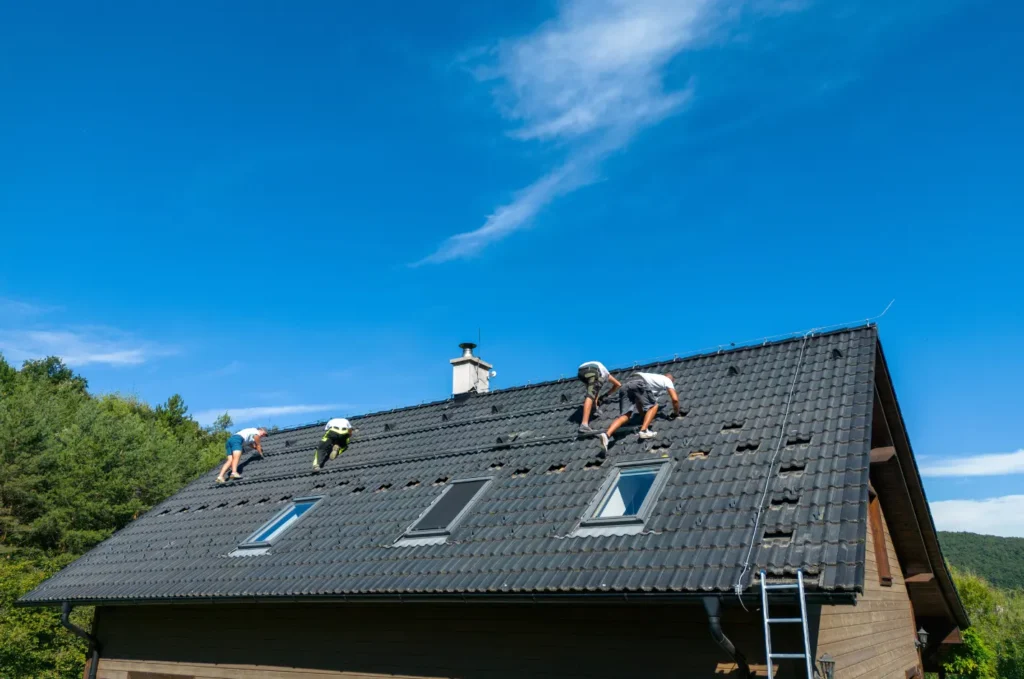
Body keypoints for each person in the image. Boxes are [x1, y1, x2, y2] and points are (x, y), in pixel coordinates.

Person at [598, 373, 680, 454]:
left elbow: (638, 401)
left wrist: (643, 417)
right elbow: (675, 399)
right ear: (671, 380)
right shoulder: (667, 380)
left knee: (625, 415)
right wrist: (676, 413)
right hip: (639, 383)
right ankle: (644, 431)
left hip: (626, 384)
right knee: (654, 406)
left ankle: (607, 435)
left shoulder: (654, 378)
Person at [576, 360, 621, 434]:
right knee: (590, 395)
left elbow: (595, 390)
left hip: (581, 371)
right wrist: (606, 395)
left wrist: (595, 406)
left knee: (593, 390)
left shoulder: (600, 371)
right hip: (593, 370)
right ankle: (584, 424)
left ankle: (594, 407)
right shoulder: (606, 374)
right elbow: (618, 384)